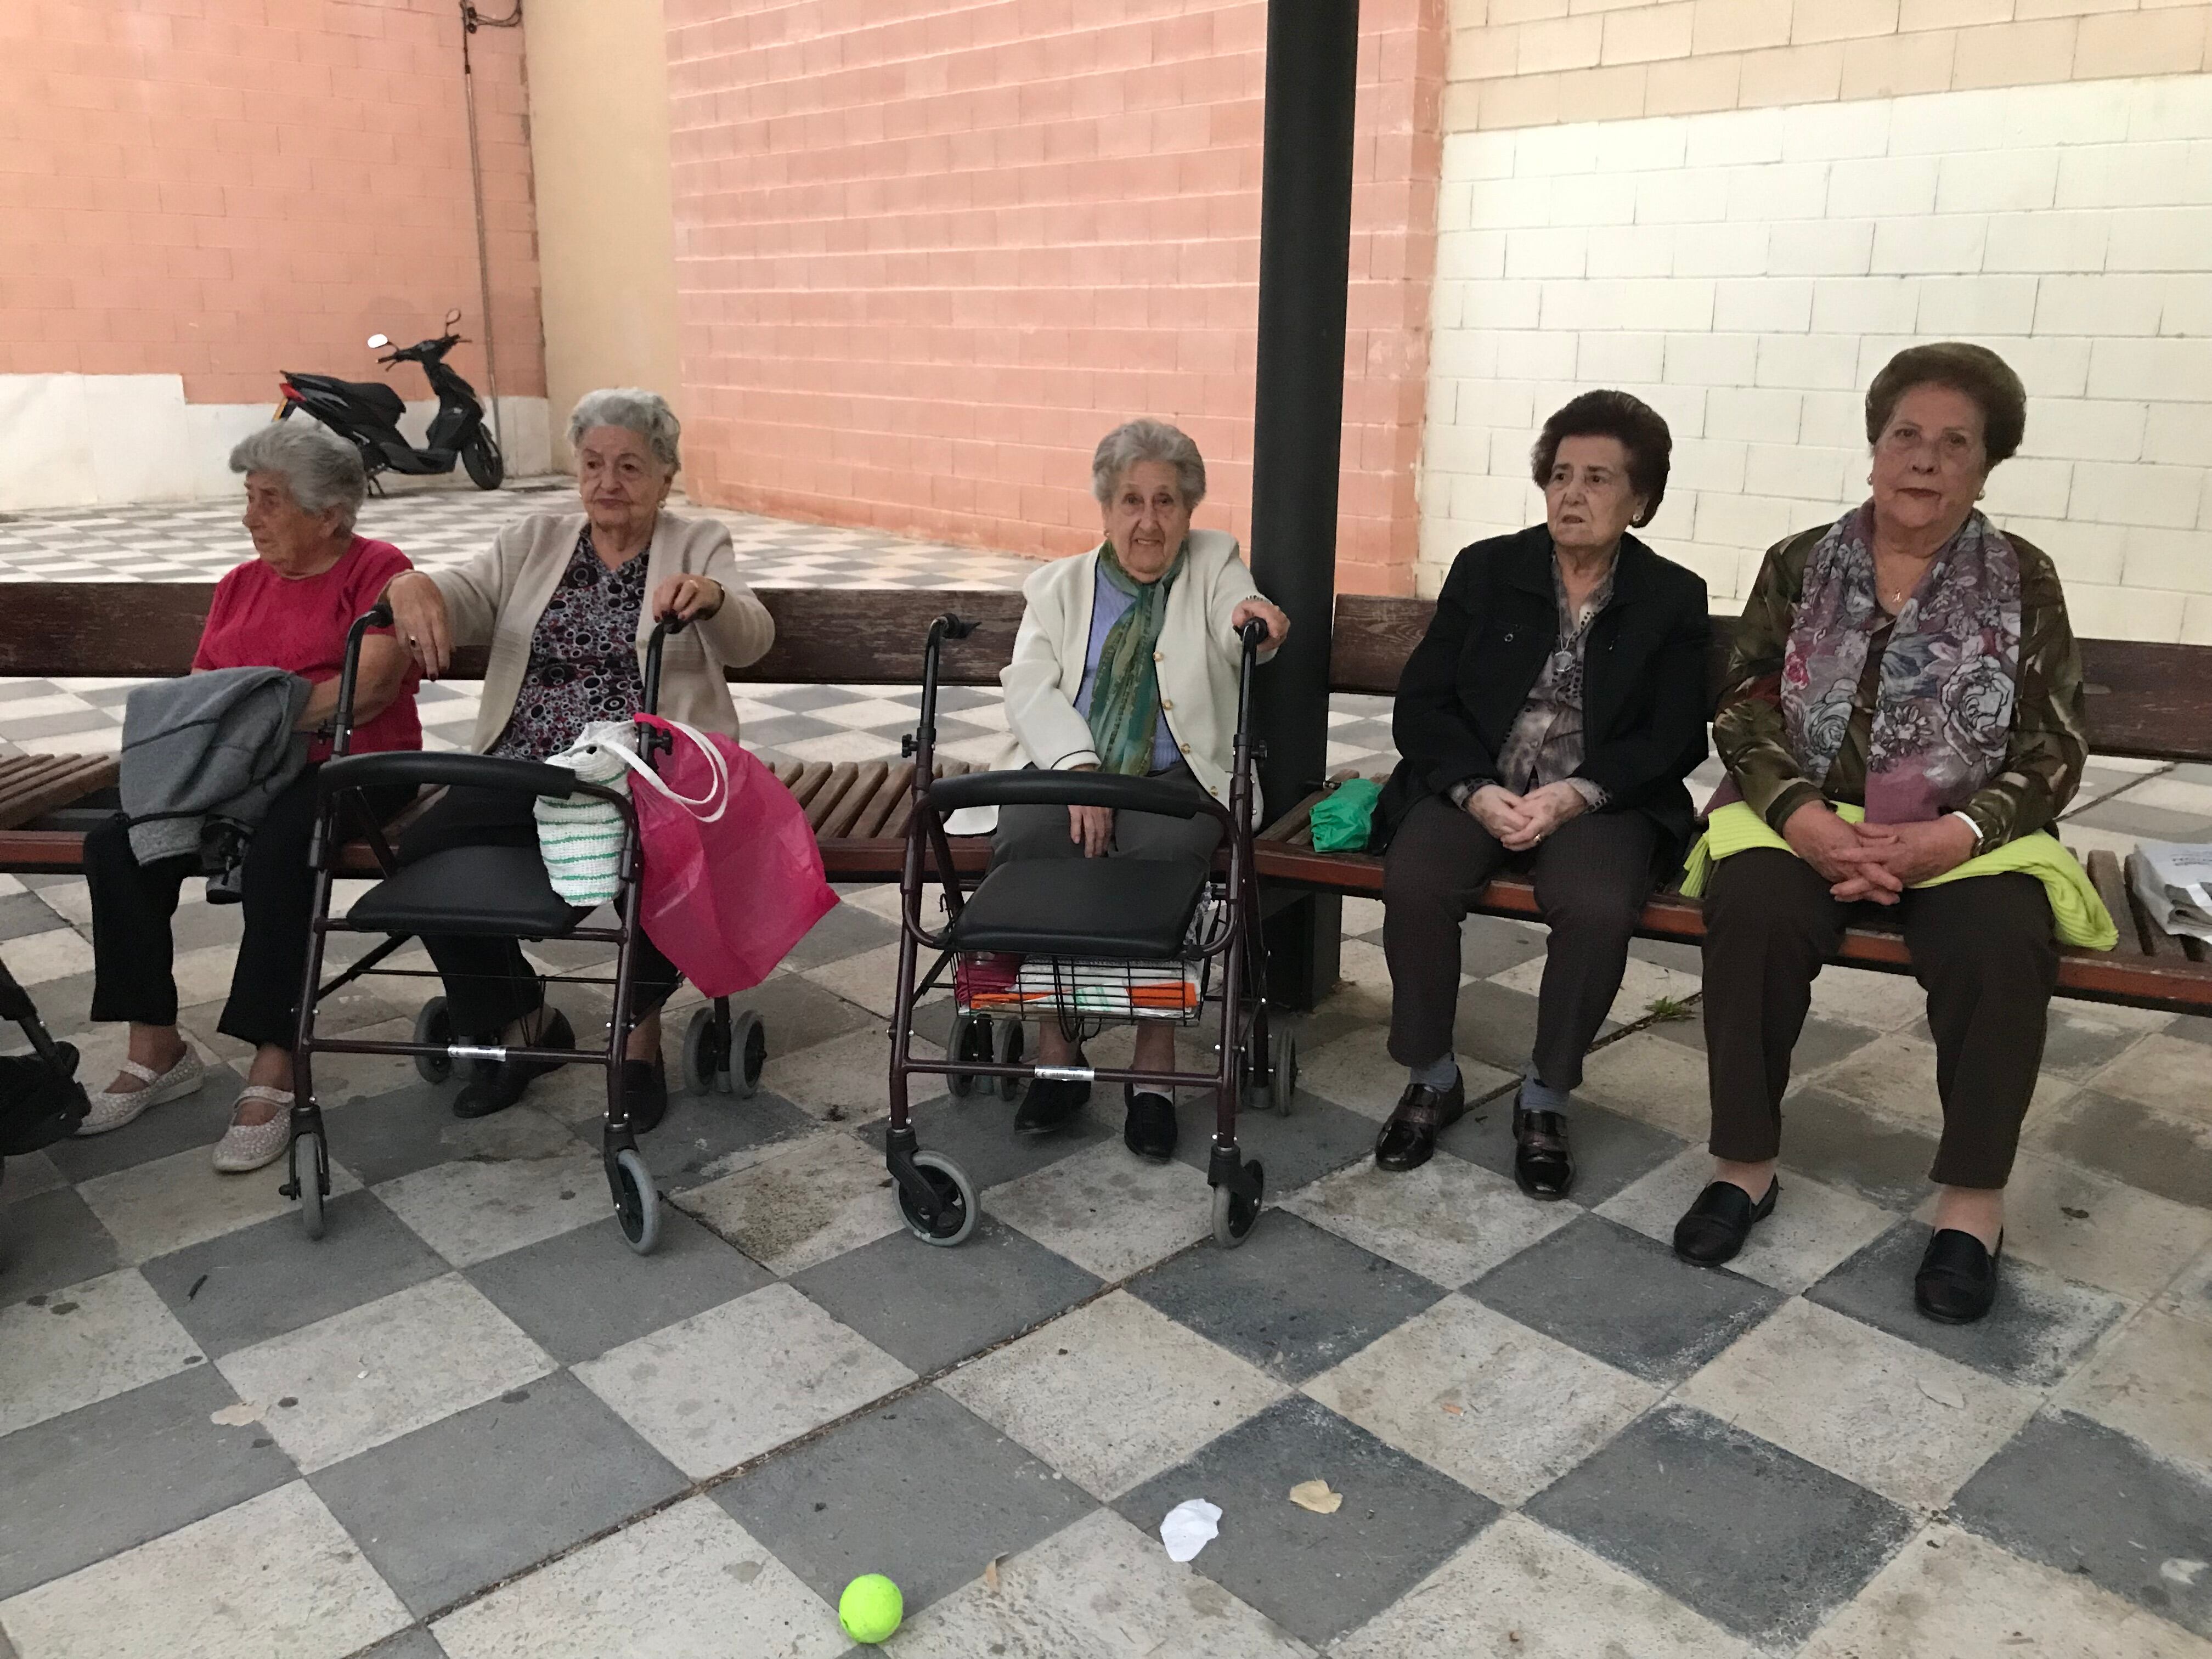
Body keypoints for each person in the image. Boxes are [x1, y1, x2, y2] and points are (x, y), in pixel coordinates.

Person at [1679, 343, 2086, 1325]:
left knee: (2002, 939)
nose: (1927, 458)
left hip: (1958, 832)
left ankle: (1972, 1206)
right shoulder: (1799, 563)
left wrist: (1957, 835)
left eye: (1957, 443)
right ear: (1873, 449)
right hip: (1806, 816)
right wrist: (1806, 819)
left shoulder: (2024, 578)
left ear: (1987, 467)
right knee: (1754, 908)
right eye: (1907, 434)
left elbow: (2056, 747)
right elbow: (1743, 708)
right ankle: (1745, 1164)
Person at [383, 388, 774, 1124]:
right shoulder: (537, 536)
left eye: (630, 465)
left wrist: (714, 597)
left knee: (653, 855)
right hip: (529, 760)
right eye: (593, 463)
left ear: (665, 474)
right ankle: (517, 1020)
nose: (607, 481)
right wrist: (411, 585)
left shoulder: (699, 541)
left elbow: (753, 638)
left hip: (645, 767)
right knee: (424, 851)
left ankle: (637, 1038)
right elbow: (463, 595)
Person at [1372, 391, 1710, 1194]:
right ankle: (1431, 1075)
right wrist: (1473, 790)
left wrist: (1578, 795)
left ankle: (1545, 1094)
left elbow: (1671, 738)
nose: (1572, 494)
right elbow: (1425, 704)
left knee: (1596, 904)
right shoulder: (1490, 570)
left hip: (1601, 799)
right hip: (1479, 783)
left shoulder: (1671, 596)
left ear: (1641, 500)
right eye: (1560, 475)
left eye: (1598, 478)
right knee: (1418, 878)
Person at [79, 422, 420, 1171]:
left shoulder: (378, 570)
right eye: (250, 498)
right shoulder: (238, 585)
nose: (250, 517)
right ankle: (156, 1045)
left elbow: (369, 690)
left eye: (269, 502)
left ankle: (277, 1054)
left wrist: (254, 716)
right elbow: (200, 703)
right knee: (115, 844)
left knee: (283, 852)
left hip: (354, 768)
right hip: (234, 776)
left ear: (328, 512)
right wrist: (259, 719)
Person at [975, 419, 1288, 1161]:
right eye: (1130, 501)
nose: (1149, 520)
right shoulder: (1056, 586)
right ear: (1105, 508)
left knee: (1164, 861)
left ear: (1189, 510)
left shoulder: (1214, 562)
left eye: (1167, 502)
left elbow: (1235, 615)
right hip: (1065, 772)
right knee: (1029, 844)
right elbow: (1028, 687)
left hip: (1175, 778)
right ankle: (1058, 1053)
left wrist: (1255, 624)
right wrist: (1079, 771)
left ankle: (1154, 1070)